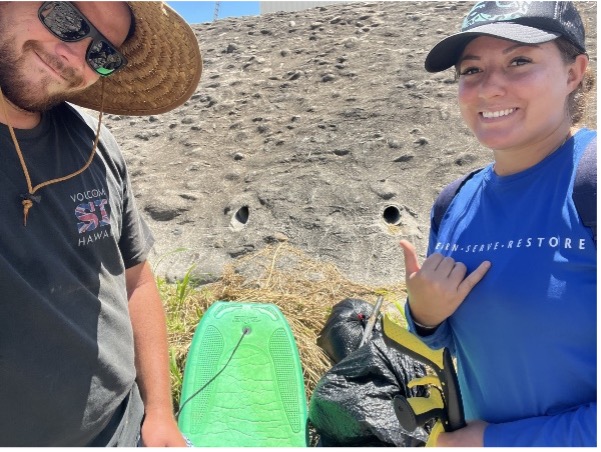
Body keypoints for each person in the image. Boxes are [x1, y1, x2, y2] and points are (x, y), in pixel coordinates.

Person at [0, 1, 202, 446]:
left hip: (124, 428)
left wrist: (160, 414)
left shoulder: (96, 146)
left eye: (102, 54)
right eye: (66, 18)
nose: (75, 54)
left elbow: (133, 278)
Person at [399, 1, 596, 447]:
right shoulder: (454, 202)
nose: (489, 88)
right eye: (471, 70)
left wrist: (489, 441)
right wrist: (424, 316)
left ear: (573, 73)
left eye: (519, 61)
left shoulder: (593, 183)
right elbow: (451, 344)